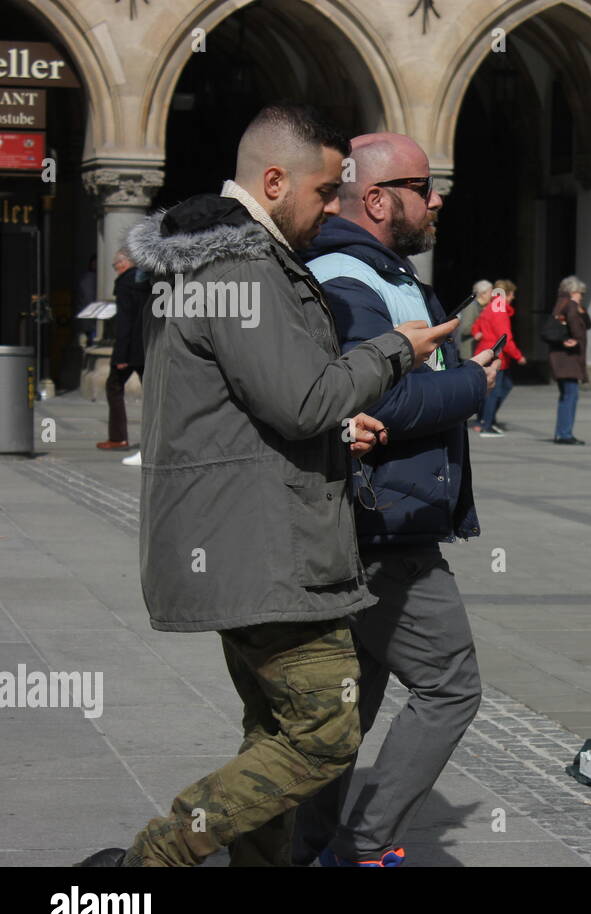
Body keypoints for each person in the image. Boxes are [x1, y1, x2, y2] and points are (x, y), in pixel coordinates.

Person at [78, 105, 450, 868]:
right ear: (273, 180)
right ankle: (150, 863)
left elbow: (244, 404)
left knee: (275, 735)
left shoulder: (208, 258)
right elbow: (303, 397)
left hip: (238, 537)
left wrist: (338, 431)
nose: (330, 208)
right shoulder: (242, 262)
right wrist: (392, 351)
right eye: (321, 192)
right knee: (325, 733)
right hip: (263, 551)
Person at [293, 131, 498, 867]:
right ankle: (361, 849)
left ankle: (308, 846)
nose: (436, 197)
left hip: (381, 517)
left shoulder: (382, 269)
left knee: (351, 705)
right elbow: (378, 393)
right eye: (422, 184)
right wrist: (472, 382)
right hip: (382, 526)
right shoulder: (351, 276)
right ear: (378, 199)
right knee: (450, 686)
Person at [97, 249, 149, 455]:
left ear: (123, 263)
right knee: (153, 394)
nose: (115, 269)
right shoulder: (144, 280)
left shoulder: (125, 283)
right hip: (146, 345)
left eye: (115, 265)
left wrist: (120, 355)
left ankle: (118, 438)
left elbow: (125, 321)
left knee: (114, 386)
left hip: (130, 350)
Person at [472, 279, 526, 435]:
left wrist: (477, 334)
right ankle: (486, 425)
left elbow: (476, 326)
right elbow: (505, 338)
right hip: (496, 355)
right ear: (507, 294)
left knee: (497, 387)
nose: (513, 297)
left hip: (485, 352)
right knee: (495, 391)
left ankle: (483, 420)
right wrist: (518, 356)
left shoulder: (489, 307)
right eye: (512, 294)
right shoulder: (499, 311)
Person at [549, 275, 590, 445]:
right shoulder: (571, 305)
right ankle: (565, 433)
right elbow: (579, 327)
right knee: (571, 396)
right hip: (569, 360)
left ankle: (561, 432)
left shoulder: (560, 304)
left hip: (558, 358)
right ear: (574, 292)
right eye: (581, 293)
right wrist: (579, 339)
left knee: (565, 395)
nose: (582, 297)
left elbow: (587, 322)